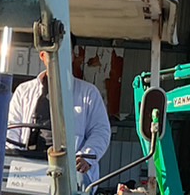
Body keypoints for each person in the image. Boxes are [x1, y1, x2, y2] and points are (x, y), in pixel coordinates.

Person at [6, 50, 112, 186]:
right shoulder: (24, 90)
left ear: (72, 56)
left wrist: (86, 157)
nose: (57, 58)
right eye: (51, 54)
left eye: (62, 52)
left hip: (70, 169)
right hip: (29, 166)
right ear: (42, 56)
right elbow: (11, 129)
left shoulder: (89, 93)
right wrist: (15, 157)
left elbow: (100, 131)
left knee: (74, 187)